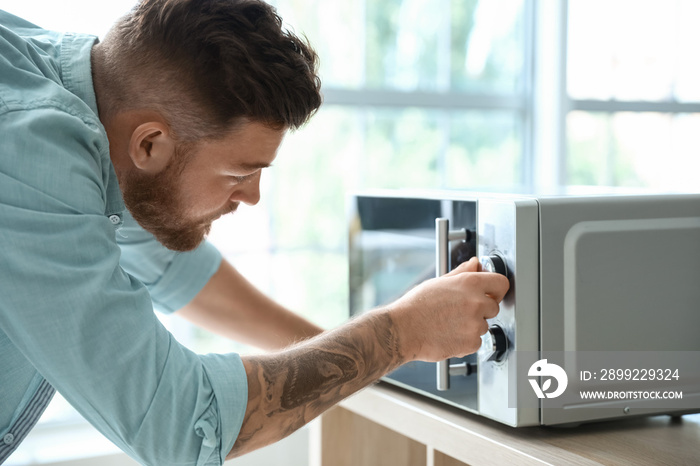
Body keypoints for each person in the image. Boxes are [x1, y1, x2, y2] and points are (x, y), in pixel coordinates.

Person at [0, 0, 510, 464]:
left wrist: (370, 361)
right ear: (150, 143)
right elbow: (180, 425)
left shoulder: (87, 98)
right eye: (240, 173)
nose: (252, 196)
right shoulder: (31, 146)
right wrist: (402, 334)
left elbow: (173, 268)